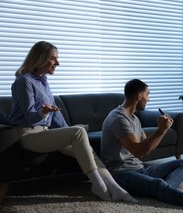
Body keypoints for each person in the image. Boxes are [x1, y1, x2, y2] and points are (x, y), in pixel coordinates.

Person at [8, 41, 136, 203]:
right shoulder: (24, 81)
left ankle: (115, 188)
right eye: (53, 58)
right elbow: (30, 117)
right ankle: (98, 185)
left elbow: (55, 117)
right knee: (78, 132)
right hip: (27, 134)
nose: (58, 63)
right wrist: (44, 111)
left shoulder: (43, 81)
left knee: (86, 146)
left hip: (44, 133)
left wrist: (69, 131)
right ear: (41, 58)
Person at [100, 79, 183, 210]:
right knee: (157, 184)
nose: (148, 99)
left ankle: (165, 191)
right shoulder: (119, 119)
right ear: (139, 96)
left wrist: (163, 130)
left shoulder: (134, 118)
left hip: (140, 169)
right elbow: (138, 151)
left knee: (182, 164)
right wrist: (161, 130)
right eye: (147, 94)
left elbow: (147, 150)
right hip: (121, 174)